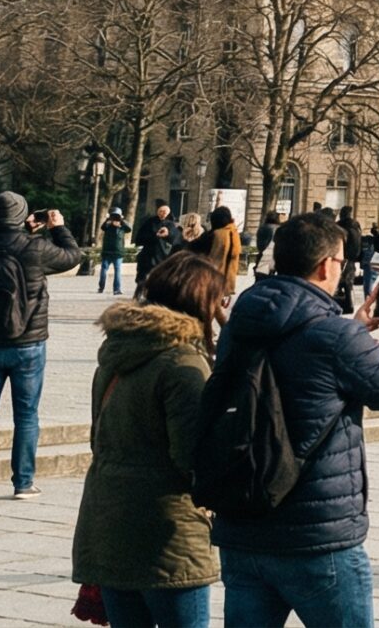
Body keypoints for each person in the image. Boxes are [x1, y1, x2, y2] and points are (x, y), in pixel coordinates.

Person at [210, 212, 379, 626]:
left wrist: (352, 329)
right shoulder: (335, 337)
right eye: (343, 262)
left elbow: (297, 354)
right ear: (328, 265)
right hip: (316, 535)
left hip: (243, 525)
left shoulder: (243, 321)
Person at [72, 253, 227, 628]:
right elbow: (193, 457)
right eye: (219, 299)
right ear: (200, 302)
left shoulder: (119, 351)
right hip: (168, 532)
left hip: (109, 521)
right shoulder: (183, 364)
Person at [0, 192, 83, 501]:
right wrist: (57, 227)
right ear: (23, 214)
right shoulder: (36, 248)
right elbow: (72, 256)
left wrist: (21, 230)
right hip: (28, 341)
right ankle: (23, 483)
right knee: (26, 414)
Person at [191, 205, 242, 295]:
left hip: (211, 279)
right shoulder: (234, 232)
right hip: (228, 281)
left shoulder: (216, 234)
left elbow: (195, 248)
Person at [134, 202, 176, 281]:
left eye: (165, 212)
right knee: (143, 275)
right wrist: (154, 236)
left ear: (168, 213)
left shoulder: (170, 224)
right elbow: (140, 236)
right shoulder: (150, 222)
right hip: (148, 253)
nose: (163, 214)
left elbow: (174, 238)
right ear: (157, 212)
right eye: (161, 211)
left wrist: (168, 234)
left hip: (163, 254)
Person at [100, 205, 131, 295]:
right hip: (113, 252)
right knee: (115, 270)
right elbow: (102, 227)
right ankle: (115, 289)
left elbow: (129, 229)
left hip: (114, 252)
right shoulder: (110, 225)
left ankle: (104, 287)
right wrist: (110, 220)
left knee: (107, 270)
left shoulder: (119, 226)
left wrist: (121, 220)